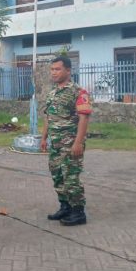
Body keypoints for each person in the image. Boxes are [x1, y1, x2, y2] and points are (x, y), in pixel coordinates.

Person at [40, 56, 92, 226]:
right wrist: (44, 138)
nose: (53, 72)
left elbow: (84, 119)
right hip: (55, 144)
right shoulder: (52, 93)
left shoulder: (78, 92)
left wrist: (78, 143)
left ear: (68, 71)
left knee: (71, 178)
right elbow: (49, 117)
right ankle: (65, 206)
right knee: (58, 176)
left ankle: (78, 212)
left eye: (57, 69)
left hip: (71, 144)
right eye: (52, 69)